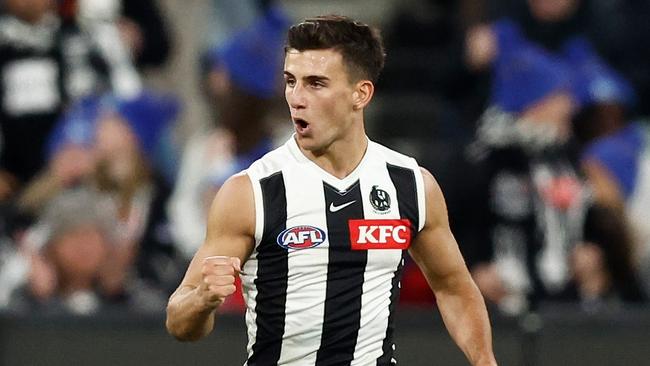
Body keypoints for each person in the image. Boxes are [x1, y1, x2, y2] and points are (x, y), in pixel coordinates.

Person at [166, 15, 497, 366]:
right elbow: (179, 322)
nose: (296, 98)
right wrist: (201, 299)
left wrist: (485, 361)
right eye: (291, 81)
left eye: (316, 84)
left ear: (361, 93)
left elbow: (453, 288)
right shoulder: (251, 192)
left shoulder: (411, 185)